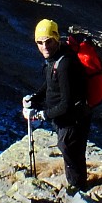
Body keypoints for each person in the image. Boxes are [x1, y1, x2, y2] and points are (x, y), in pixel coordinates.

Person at [22, 18, 92, 193]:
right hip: (67, 119)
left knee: (71, 152)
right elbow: (51, 85)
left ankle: (78, 190)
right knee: (70, 151)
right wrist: (36, 98)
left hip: (72, 120)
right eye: (40, 42)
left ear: (57, 39)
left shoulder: (65, 64)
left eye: (48, 41)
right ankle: (78, 186)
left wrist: (41, 115)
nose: (44, 46)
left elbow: (66, 104)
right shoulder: (55, 59)